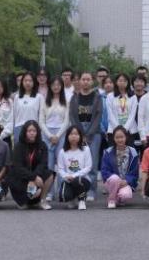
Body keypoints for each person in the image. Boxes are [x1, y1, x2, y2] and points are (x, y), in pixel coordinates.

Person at [69, 71, 103, 201]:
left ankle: (92, 190)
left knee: (92, 163)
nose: (85, 82)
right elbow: (72, 116)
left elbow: (98, 116)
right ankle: (79, 188)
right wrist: (80, 133)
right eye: (83, 79)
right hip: (78, 132)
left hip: (94, 133)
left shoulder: (97, 97)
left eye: (88, 79)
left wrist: (88, 134)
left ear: (92, 81)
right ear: (79, 81)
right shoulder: (74, 97)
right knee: (79, 162)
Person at [8, 120, 54, 210]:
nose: (32, 133)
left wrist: (35, 177)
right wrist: (32, 177)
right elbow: (18, 167)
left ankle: (42, 200)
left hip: (36, 177)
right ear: (25, 132)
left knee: (50, 174)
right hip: (22, 179)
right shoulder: (18, 146)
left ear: (37, 132)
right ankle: (25, 199)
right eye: (29, 131)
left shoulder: (42, 145)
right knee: (24, 206)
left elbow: (43, 164)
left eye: (34, 131)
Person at [39, 76, 70, 201]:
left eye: (58, 84)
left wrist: (57, 135)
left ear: (61, 86)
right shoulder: (45, 101)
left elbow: (67, 121)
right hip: (47, 134)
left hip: (61, 134)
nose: (56, 87)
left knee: (62, 164)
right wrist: (50, 135)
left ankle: (62, 191)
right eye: (53, 85)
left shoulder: (66, 101)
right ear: (50, 86)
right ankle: (49, 192)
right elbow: (41, 121)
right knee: (49, 164)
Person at [101, 126, 139, 208]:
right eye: (117, 137)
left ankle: (117, 198)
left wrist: (127, 180)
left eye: (122, 137)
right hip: (112, 182)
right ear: (113, 138)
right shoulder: (108, 152)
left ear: (126, 137)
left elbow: (134, 172)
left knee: (126, 195)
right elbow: (104, 170)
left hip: (125, 183)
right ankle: (111, 199)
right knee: (115, 178)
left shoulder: (133, 152)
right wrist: (117, 180)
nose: (120, 140)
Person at [57, 125, 92, 210]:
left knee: (77, 181)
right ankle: (73, 199)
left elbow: (88, 167)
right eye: (71, 134)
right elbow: (60, 169)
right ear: (67, 136)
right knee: (64, 196)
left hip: (83, 179)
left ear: (80, 136)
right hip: (68, 180)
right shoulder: (62, 152)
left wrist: (74, 175)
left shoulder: (85, 149)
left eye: (76, 134)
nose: (73, 136)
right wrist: (66, 176)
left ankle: (81, 200)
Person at [5, 71, 42, 144]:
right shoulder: (17, 97)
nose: (28, 83)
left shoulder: (39, 97)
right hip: (19, 128)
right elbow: (13, 115)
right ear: (22, 82)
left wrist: (39, 129)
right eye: (25, 80)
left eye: (30, 81)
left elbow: (41, 115)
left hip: (33, 129)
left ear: (34, 82)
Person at [106, 74, 134, 144]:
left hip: (129, 130)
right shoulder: (110, 96)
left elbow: (132, 115)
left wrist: (125, 129)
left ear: (128, 83)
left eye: (124, 81)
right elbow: (110, 114)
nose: (122, 83)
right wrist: (118, 129)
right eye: (120, 80)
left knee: (129, 150)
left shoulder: (133, 96)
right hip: (113, 130)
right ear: (116, 82)